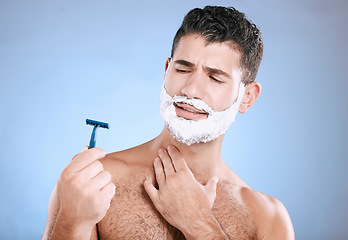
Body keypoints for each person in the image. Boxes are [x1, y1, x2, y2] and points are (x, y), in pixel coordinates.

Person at [43, 6, 295, 240]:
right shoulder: (90, 183)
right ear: (167, 70)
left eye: (215, 78)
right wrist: (71, 221)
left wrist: (200, 224)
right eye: (183, 69)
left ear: (247, 97)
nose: (191, 89)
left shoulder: (268, 217)